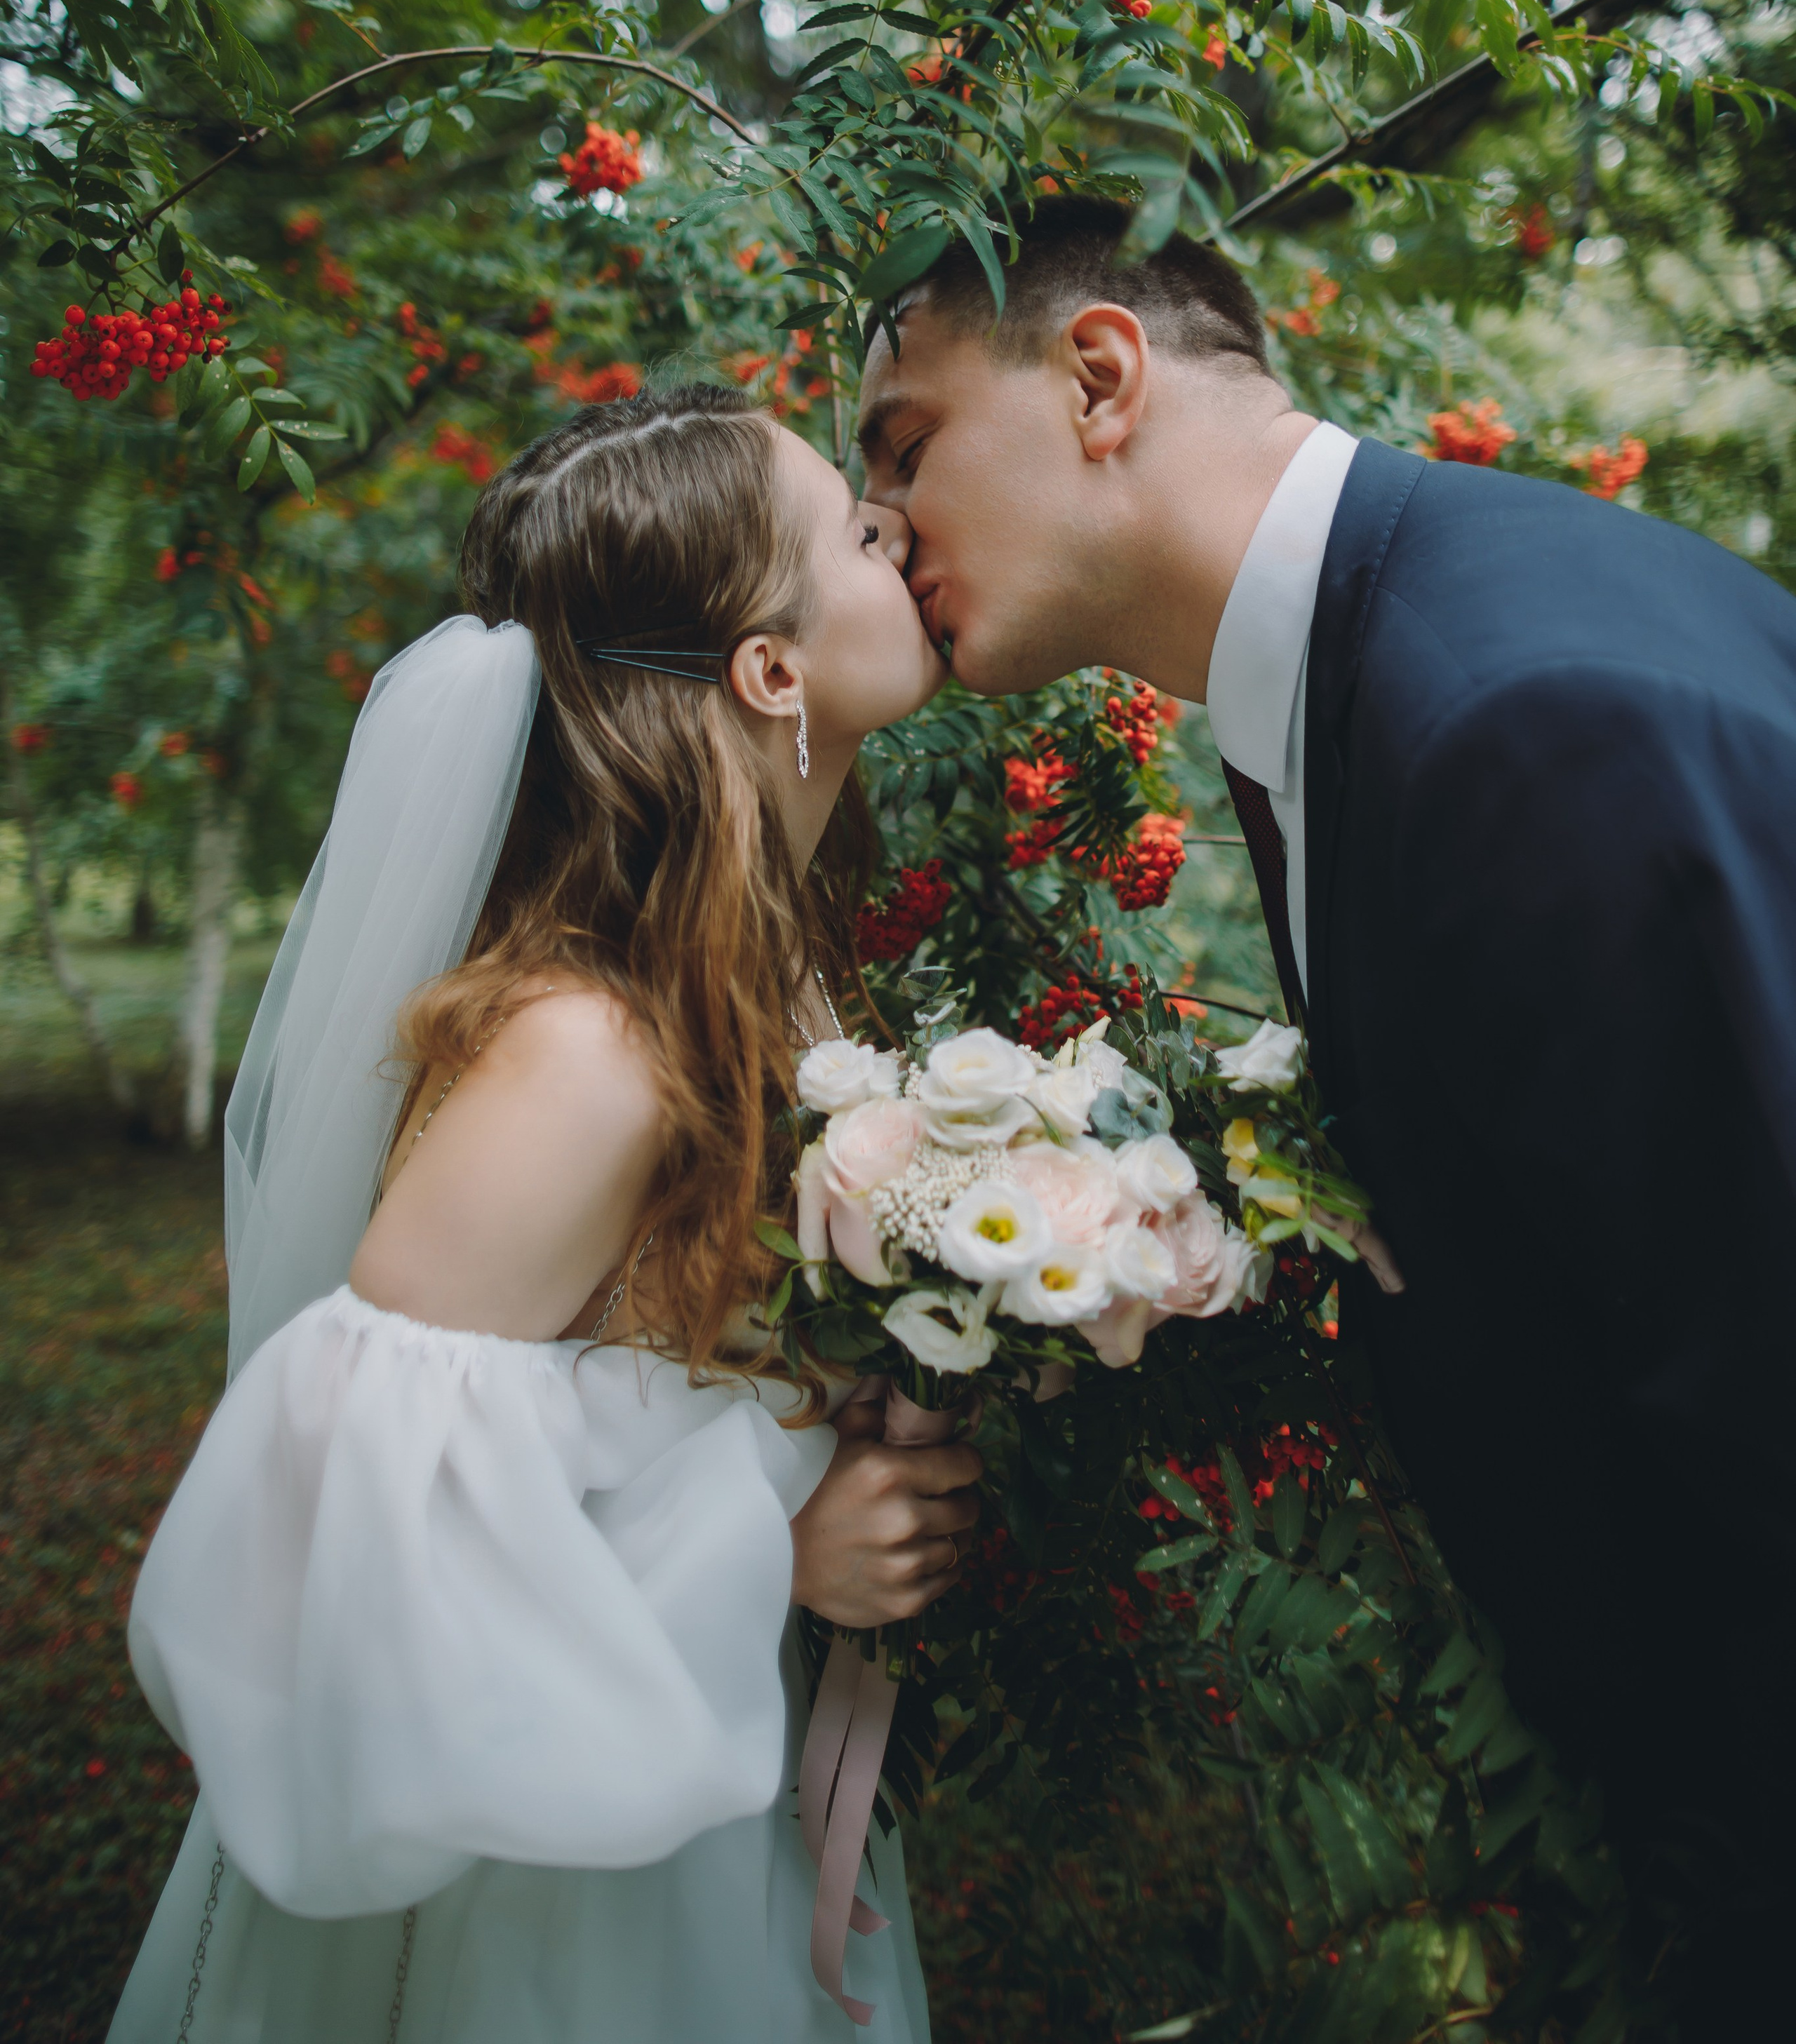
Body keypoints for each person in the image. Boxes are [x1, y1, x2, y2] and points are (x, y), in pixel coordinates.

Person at [857, 191, 1796, 2038]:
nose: (880, 528)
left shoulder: (1518, 717)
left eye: (904, 445)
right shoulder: (1403, 652)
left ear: (1100, 379)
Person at [110, 386, 976, 2044]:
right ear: (770, 673)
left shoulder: (770, 982)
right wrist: (777, 1550)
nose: (895, 526)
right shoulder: (589, 1051)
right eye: (851, 530)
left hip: (703, 1781)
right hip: (539, 1884)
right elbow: (352, 1541)